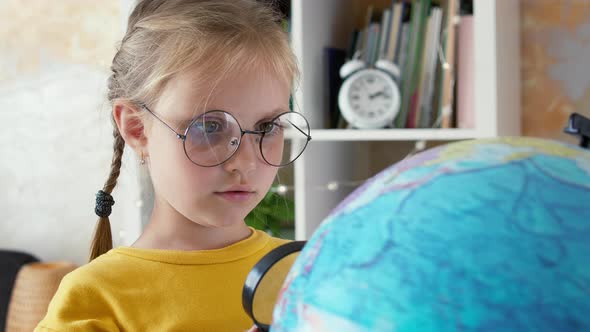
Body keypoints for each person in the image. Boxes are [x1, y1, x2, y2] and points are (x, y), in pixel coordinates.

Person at [35, 0, 310, 331]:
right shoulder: (96, 298)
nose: (247, 162)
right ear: (137, 128)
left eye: (267, 127)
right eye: (209, 127)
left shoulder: (305, 274)